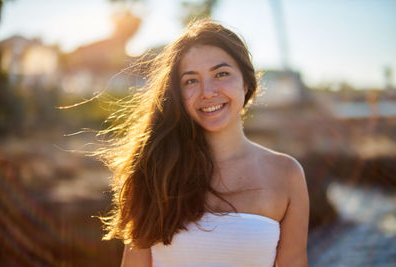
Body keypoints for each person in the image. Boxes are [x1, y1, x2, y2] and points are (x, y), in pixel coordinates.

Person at [97, 19, 309, 267]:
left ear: (247, 82)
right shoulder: (154, 169)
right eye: (191, 80)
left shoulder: (286, 174)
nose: (207, 92)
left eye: (221, 74)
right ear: (178, 95)